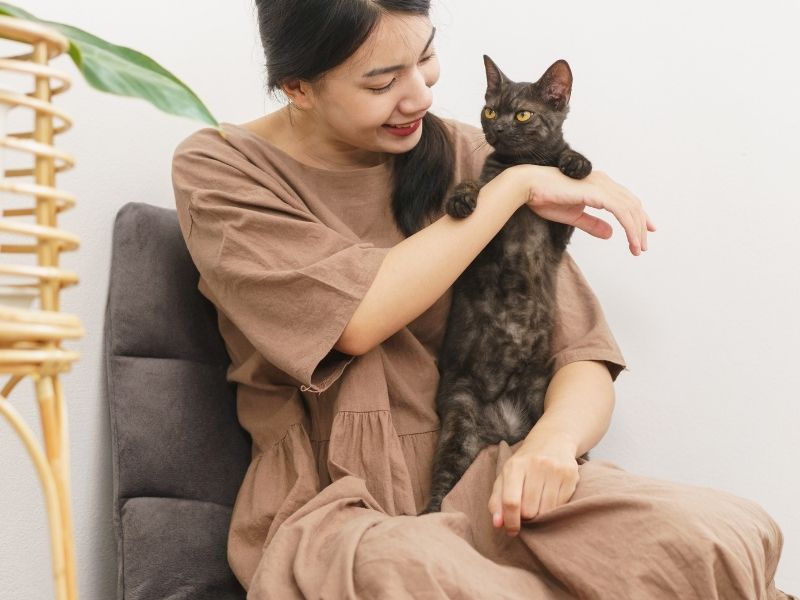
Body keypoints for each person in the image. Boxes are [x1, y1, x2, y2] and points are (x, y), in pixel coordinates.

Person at [171, 1, 792, 597]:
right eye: (382, 81)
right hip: (341, 496)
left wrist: (552, 444)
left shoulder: (468, 153)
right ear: (297, 87)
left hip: (494, 469)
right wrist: (517, 185)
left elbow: (581, 356)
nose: (420, 96)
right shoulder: (220, 169)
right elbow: (356, 319)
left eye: (426, 58)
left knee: (713, 538)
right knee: (428, 578)